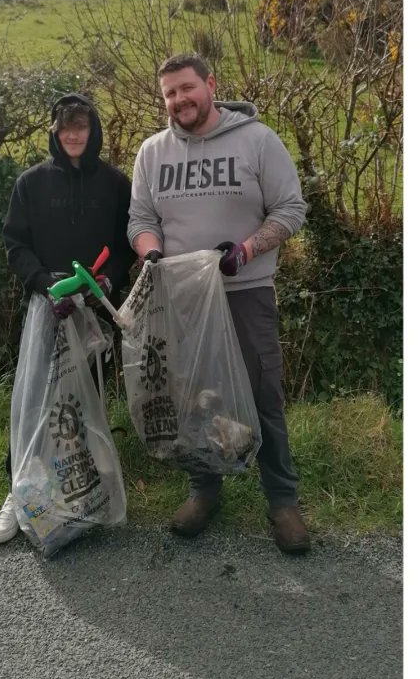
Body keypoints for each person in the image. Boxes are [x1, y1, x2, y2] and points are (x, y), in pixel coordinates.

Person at [127, 53, 310, 554]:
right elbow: (140, 220)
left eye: (187, 88)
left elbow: (291, 208)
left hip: (245, 290)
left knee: (263, 398)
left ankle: (281, 501)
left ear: (210, 84)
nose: (179, 100)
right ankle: (204, 491)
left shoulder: (257, 140)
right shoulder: (153, 152)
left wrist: (247, 249)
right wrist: (154, 254)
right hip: (181, 297)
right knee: (193, 399)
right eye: (169, 93)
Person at [0, 93, 134, 544]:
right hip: (46, 307)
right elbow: (16, 243)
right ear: (54, 131)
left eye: (82, 127)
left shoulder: (114, 183)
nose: (73, 135)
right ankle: (19, 493)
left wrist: (105, 283)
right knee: (33, 398)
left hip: (92, 310)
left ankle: (84, 495)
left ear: (94, 132)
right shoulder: (30, 184)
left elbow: (125, 244)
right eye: (66, 127)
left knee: (85, 400)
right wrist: (43, 284)